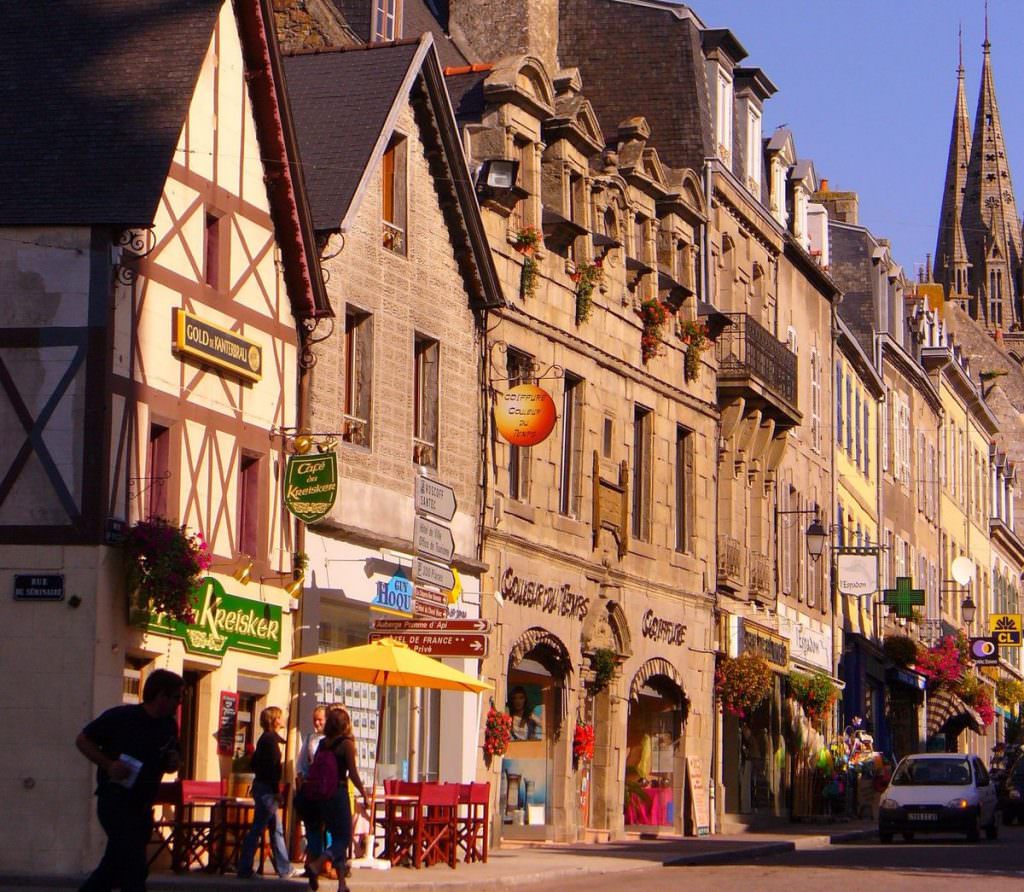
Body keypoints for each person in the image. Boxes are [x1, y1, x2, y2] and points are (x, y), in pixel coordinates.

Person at [75, 668, 183, 892]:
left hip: (142, 805)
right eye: (176, 697)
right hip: (115, 800)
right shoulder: (122, 717)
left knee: (115, 866)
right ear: (161, 695)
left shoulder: (168, 726)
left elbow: (171, 759)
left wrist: (173, 762)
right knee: (133, 866)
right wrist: (109, 765)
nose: (178, 703)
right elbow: (83, 740)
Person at [303, 706, 370, 891]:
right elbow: (353, 773)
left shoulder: (323, 743)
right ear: (345, 724)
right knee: (344, 838)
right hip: (339, 793)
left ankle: (342, 884)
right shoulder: (346, 743)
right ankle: (317, 865)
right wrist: (364, 793)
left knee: (336, 835)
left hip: (322, 796)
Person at [237, 706, 299, 879]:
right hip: (267, 791)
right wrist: (276, 791)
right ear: (275, 720)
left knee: (276, 829)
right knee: (258, 828)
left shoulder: (265, 739)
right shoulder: (270, 741)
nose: (283, 719)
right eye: (280, 717)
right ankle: (245, 868)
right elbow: (272, 769)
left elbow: (255, 763)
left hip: (262, 787)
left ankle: (284, 868)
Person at [294, 706, 335, 879]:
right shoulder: (310, 738)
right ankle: (313, 863)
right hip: (311, 788)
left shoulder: (332, 740)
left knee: (328, 829)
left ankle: (327, 864)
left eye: (320, 720)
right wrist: (302, 777)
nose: (317, 723)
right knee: (313, 828)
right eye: (315, 720)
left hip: (326, 790)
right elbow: (302, 761)